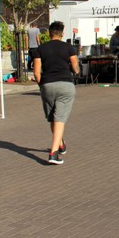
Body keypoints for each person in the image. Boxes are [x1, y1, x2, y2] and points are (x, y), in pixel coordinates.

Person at [33, 21, 79, 165]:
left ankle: (60, 143)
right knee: (59, 118)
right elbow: (75, 65)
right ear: (62, 34)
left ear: (49, 33)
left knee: (53, 117)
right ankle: (53, 153)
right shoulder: (68, 47)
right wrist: (76, 71)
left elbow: (36, 72)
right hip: (65, 84)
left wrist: (41, 84)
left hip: (47, 85)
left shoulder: (40, 49)